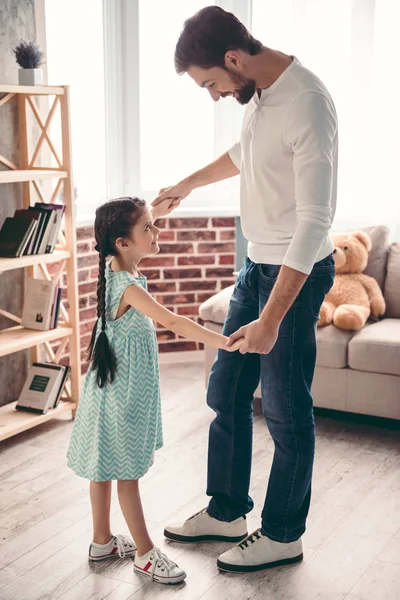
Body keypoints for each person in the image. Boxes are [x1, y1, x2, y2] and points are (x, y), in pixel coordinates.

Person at [153, 6, 337, 574]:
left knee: (284, 409)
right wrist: (184, 185)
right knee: (227, 390)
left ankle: (283, 533)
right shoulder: (257, 93)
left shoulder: (306, 102)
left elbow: (313, 222)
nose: (212, 95)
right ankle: (228, 510)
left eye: (210, 83)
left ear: (233, 59)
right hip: (255, 268)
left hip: (294, 275)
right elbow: (244, 156)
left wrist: (273, 318)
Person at [67, 196, 243, 585]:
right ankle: (146, 555)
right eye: (148, 227)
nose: (156, 231)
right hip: (123, 398)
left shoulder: (111, 273)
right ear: (122, 243)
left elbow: (134, 222)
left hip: (106, 393)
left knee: (104, 468)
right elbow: (175, 322)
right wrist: (224, 340)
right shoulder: (129, 287)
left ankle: (101, 541)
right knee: (126, 473)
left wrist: (159, 206)